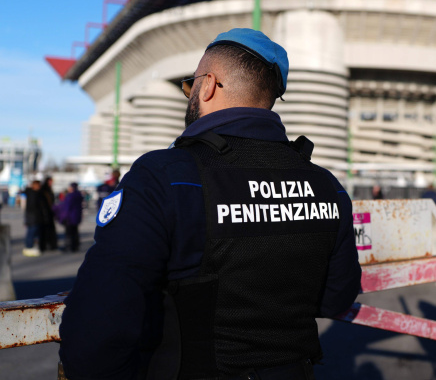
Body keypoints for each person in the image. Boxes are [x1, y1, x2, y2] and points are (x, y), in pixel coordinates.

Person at [60, 28, 362, 379]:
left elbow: (99, 325)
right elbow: (336, 297)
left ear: (208, 84)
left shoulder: (165, 176)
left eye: (190, 85)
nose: (189, 94)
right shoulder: (325, 185)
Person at [55, 182, 85, 252]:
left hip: (70, 217)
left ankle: (69, 246)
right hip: (76, 216)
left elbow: (67, 207)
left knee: (69, 233)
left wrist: (62, 217)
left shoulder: (70, 196)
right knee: (75, 231)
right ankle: (75, 246)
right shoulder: (78, 195)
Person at [22, 180, 45, 257]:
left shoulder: (32, 193)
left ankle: (30, 247)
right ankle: (29, 248)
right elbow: (33, 207)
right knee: (31, 233)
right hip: (33, 217)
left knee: (33, 233)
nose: (39, 187)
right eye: (38, 185)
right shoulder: (33, 194)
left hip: (33, 217)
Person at [39, 176, 59, 252]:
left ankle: (51, 245)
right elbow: (42, 203)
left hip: (49, 213)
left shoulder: (48, 190)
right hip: (45, 214)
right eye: (50, 181)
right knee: (45, 231)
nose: (51, 183)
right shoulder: (44, 190)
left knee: (49, 230)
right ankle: (45, 246)